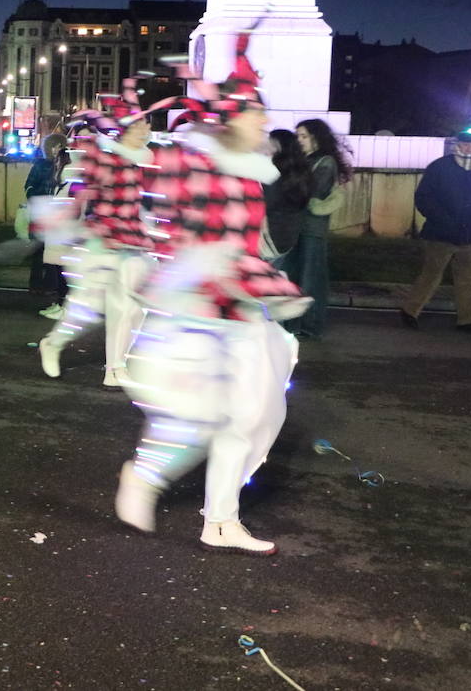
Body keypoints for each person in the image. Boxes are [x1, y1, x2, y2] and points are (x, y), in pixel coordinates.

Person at [113, 38, 309, 555]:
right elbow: (193, 237)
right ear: (231, 117)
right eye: (258, 111)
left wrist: (261, 281)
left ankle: (220, 520)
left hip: (240, 309)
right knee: (199, 415)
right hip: (197, 308)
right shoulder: (196, 161)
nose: (266, 120)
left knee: (255, 415)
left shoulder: (249, 173)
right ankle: (145, 476)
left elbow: (243, 246)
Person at [37, 84, 159, 387]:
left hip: (133, 241)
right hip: (102, 242)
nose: (147, 128)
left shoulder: (143, 159)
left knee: (132, 307)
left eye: (148, 123)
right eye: (142, 123)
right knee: (85, 309)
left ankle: (116, 367)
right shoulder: (106, 158)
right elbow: (84, 187)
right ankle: (53, 344)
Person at [399, 128, 471, 332]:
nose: (470, 148)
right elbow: (423, 197)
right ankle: (410, 311)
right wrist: (442, 219)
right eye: (466, 144)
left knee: (469, 280)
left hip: (470, 234)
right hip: (440, 233)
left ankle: (467, 320)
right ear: (458, 145)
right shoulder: (439, 167)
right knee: (431, 274)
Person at [277, 118, 351, 340]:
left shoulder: (325, 162)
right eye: (297, 136)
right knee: (293, 276)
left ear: (316, 138)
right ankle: (293, 321)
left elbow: (309, 193)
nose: (298, 140)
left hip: (311, 229)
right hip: (296, 227)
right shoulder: (304, 160)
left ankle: (309, 324)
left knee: (310, 277)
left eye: (303, 136)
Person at [26, 132, 70, 317]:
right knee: (42, 251)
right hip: (45, 212)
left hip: (54, 215)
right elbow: (29, 186)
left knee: (53, 255)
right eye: (54, 146)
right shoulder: (46, 165)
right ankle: (42, 286)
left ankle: (52, 290)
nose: (56, 149)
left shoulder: (65, 167)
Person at [262, 129, 312, 264]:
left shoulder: (271, 173)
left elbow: (265, 204)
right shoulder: (302, 172)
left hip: (268, 238)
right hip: (288, 237)